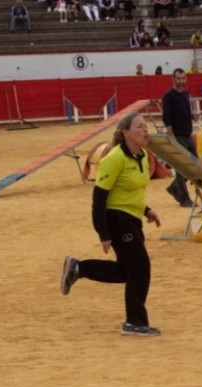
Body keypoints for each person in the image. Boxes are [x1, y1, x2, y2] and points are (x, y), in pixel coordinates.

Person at [59, 112, 163, 337]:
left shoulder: (143, 155)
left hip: (133, 219)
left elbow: (130, 190)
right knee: (140, 269)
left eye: (146, 126)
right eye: (139, 127)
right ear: (126, 133)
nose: (146, 130)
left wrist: (146, 210)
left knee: (128, 272)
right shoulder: (113, 159)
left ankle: (79, 268)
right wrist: (103, 233)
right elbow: (99, 200)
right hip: (117, 220)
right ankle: (135, 322)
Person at [162, 68, 197, 208]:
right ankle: (184, 198)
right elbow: (167, 118)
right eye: (179, 78)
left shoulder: (185, 94)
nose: (181, 81)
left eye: (183, 78)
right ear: (173, 79)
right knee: (181, 168)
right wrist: (172, 139)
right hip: (177, 136)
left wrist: (193, 116)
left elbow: (187, 112)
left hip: (188, 135)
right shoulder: (168, 96)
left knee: (194, 166)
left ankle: (174, 187)